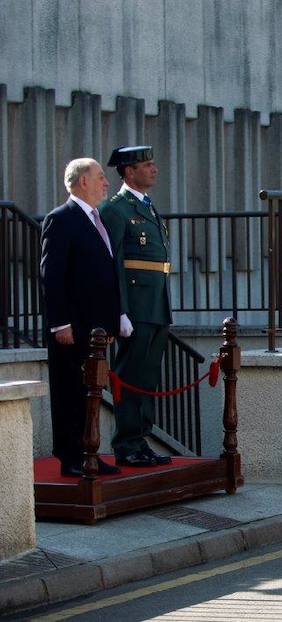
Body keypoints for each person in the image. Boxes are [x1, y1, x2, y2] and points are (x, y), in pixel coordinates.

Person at [41, 158, 121, 477]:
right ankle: (70, 454)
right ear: (82, 181)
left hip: (95, 329)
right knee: (69, 390)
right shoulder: (61, 219)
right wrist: (60, 323)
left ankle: (89, 450)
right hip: (71, 327)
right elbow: (52, 275)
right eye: (100, 177)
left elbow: (105, 276)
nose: (106, 183)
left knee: (91, 391)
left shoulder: (95, 219)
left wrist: (110, 323)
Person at [100, 146, 173, 468]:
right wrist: (120, 311)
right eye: (146, 165)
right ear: (129, 172)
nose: (154, 169)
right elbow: (112, 263)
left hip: (155, 304)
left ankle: (140, 439)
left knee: (146, 376)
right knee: (130, 375)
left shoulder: (146, 205)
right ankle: (126, 444)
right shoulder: (116, 209)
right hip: (135, 308)